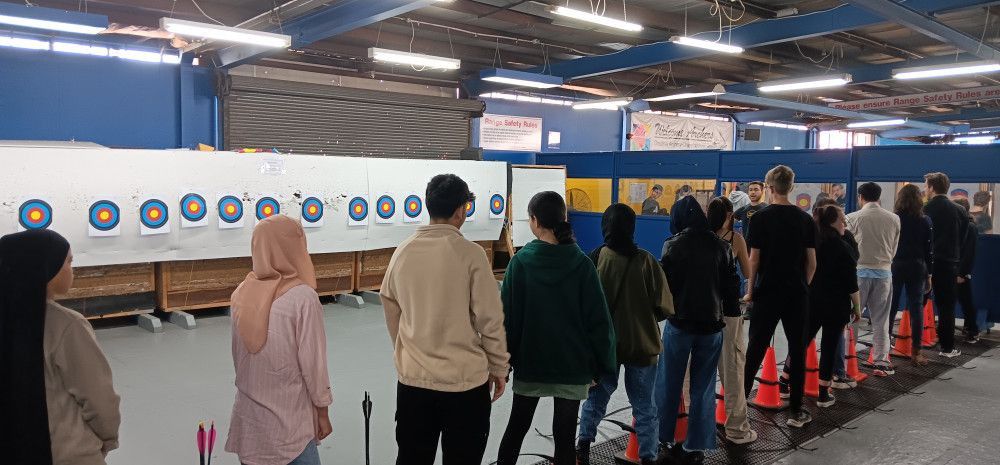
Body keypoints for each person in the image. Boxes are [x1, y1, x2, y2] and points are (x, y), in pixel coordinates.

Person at [381, 174, 509, 465]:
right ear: (462, 210)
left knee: (412, 458)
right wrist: (499, 367)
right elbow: (489, 319)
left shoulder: (403, 252)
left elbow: (390, 306)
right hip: (464, 385)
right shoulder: (472, 254)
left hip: (414, 382)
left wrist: (406, 349)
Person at [497, 191, 616, 465]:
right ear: (563, 218)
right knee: (563, 438)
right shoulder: (583, 265)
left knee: (515, 430)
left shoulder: (520, 264)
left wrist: (504, 362)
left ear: (535, 221)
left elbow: (507, 319)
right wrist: (600, 364)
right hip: (572, 368)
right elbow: (598, 321)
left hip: (531, 364)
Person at [0, 229, 121, 465]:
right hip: (67, 454)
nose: (71, 270)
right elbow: (98, 398)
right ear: (45, 269)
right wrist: (106, 440)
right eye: (68, 262)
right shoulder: (67, 325)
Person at [227, 215, 332, 465]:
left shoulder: (241, 292)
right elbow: (314, 366)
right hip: (290, 425)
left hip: (249, 421)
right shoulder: (302, 298)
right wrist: (323, 411)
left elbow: (239, 359)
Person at [577, 204, 674, 465]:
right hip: (642, 346)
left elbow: (584, 306)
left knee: (596, 398)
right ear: (632, 227)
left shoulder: (595, 258)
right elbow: (664, 306)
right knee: (644, 405)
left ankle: (583, 449)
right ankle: (648, 457)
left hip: (606, 346)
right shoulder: (646, 260)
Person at [657, 196, 740, 464]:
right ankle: (697, 447)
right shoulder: (722, 247)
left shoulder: (672, 245)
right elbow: (731, 287)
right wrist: (730, 318)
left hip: (679, 325)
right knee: (703, 388)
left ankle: (665, 438)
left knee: (669, 383)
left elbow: (664, 287)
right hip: (712, 328)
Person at [742, 165, 817, 428]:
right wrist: (802, 286)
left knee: (755, 348)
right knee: (797, 349)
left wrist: (751, 291)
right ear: (791, 187)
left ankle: (739, 408)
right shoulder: (805, 219)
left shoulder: (760, 219)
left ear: (769, 188)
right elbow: (811, 263)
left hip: (767, 291)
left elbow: (754, 259)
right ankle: (796, 410)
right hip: (796, 293)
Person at [778, 205, 860, 408]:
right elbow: (851, 282)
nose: (844, 224)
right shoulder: (843, 247)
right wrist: (857, 308)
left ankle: (784, 383)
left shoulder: (811, 243)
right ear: (832, 222)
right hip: (836, 305)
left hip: (810, 301)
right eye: (842, 220)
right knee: (830, 346)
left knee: (801, 343)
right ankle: (823, 394)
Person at [706, 197, 757, 445]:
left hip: (703, 311)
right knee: (732, 369)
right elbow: (747, 272)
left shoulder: (699, 236)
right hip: (728, 312)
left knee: (696, 372)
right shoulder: (735, 239)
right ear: (729, 215)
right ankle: (737, 430)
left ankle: (692, 428)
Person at [846, 182, 900, 377]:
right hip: (884, 273)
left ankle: (847, 361)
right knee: (881, 320)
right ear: (879, 197)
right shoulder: (894, 219)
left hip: (858, 275)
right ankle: (881, 361)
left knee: (853, 319)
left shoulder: (851, 218)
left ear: (860, 196)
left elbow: (848, 249)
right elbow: (893, 248)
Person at [923, 172, 969, 358]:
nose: (925, 189)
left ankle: (913, 345)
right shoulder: (959, 210)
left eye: (926, 186)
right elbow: (963, 239)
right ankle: (947, 348)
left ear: (932, 187)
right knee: (946, 307)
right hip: (949, 264)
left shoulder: (924, 209)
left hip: (925, 264)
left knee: (917, 303)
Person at [889, 184, 934, 366]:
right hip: (917, 266)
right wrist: (929, 274)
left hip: (896, 265)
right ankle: (916, 352)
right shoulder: (925, 221)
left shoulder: (894, 219)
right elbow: (928, 250)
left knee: (890, 308)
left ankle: (883, 352)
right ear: (919, 199)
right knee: (916, 309)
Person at [954, 198, 981, 344]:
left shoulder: (970, 227)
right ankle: (968, 328)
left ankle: (973, 330)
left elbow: (969, 253)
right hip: (953, 269)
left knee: (966, 302)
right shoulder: (959, 225)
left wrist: (962, 273)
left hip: (961, 272)